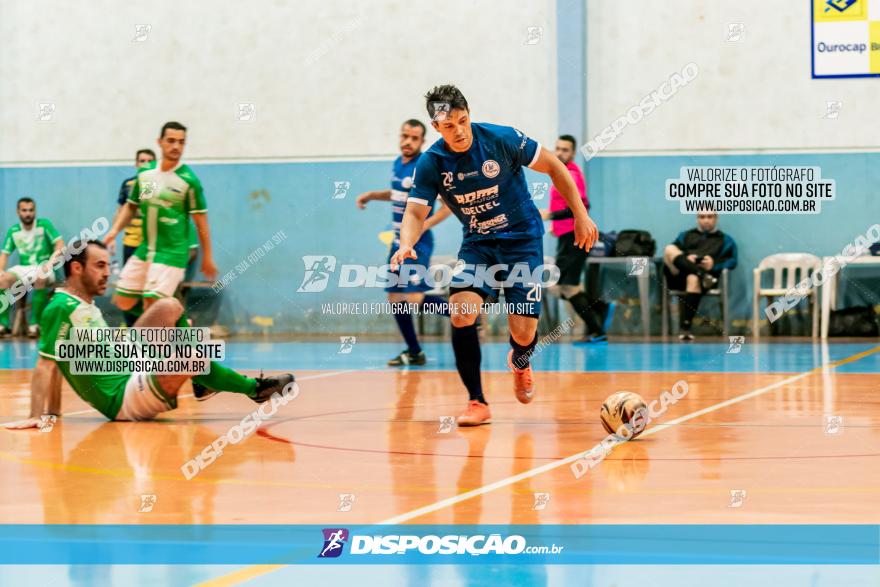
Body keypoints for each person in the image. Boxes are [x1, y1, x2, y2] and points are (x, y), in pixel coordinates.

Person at [392, 84, 598, 426]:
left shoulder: (501, 139)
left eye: (462, 121)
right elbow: (415, 213)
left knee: (523, 332)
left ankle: (520, 361)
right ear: (436, 128)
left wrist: (580, 214)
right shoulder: (432, 163)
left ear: (469, 114)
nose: (458, 131)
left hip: (523, 241)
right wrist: (405, 243)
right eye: (448, 126)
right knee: (461, 313)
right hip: (479, 245)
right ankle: (476, 401)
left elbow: (555, 168)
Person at [3, 240, 294, 429]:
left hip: (129, 360)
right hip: (124, 396)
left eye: (109, 265)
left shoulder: (82, 303)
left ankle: (203, 382)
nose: (108, 273)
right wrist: (40, 414)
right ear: (77, 268)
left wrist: (54, 412)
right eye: (100, 266)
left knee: (170, 306)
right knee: (190, 356)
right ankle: (250, 388)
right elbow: (47, 365)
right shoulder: (60, 307)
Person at [356, 119, 452, 366]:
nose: (407, 142)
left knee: (415, 298)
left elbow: (446, 205)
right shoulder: (398, 164)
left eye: (414, 138)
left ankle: (465, 312)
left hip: (417, 243)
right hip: (398, 242)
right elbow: (397, 193)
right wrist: (372, 196)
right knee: (395, 298)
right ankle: (414, 351)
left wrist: (424, 225)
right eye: (404, 136)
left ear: (422, 141)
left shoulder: (425, 166)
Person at [103, 122, 218, 316]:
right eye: (171, 141)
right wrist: (114, 231)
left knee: (152, 304)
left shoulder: (188, 181)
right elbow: (132, 206)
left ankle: (171, 332)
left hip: (172, 252)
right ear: (160, 142)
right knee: (122, 300)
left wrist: (207, 256)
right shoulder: (146, 174)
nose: (176, 146)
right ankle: (177, 321)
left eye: (181, 142)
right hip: (146, 248)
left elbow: (201, 222)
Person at [540, 134, 614, 342]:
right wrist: (556, 225)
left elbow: (580, 207)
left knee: (565, 286)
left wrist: (550, 216)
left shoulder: (571, 174)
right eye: (557, 148)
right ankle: (601, 308)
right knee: (565, 286)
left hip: (575, 237)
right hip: (566, 236)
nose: (560, 152)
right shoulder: (559, 173)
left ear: (572, 153)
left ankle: (597, 330)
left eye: (565, 149)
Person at [663, 212, 738, 341]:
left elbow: (732, 261)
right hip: (679, 275)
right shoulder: (685, 235)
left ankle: (685, 328)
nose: (706, 220)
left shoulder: (726, 240)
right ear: (697, 218)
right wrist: (687, 258)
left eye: (710, 217)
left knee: (693, 278)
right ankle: (701, 274)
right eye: (702, 217)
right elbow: (674, 255)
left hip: (705, 280)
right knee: (669, 248)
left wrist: (713, 265)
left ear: (716, 218)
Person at [0, 197, 65, 338]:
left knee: (40, 276)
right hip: (23, 268)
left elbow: (60, 244)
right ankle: (3, 325)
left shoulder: (44, 225)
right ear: (18, 212)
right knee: (2, 279)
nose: (28, 213)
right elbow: (4, 255)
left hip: (44, 267)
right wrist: (0, 270)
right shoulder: (14, 231)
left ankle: (34, 325)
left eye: (31, 210)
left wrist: (50, 263)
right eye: (24, 210)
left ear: (35, 211)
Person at [113, 149, 156, 265]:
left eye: (150, 161)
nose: (146, 164)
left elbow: (146, 207)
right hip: (130, 242)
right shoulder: (127, 184)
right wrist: (113, 236)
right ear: (136, 164)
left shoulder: (158, 184)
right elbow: (120, 212)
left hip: (151, 244)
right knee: (128, 281)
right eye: (142, 161)